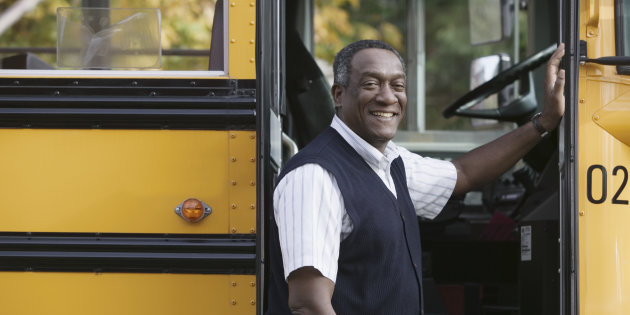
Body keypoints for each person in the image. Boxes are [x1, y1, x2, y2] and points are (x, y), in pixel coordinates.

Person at [266, 39, 565, 314]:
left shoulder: (391, 162)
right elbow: (308, 304)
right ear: (339, 95)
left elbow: (463, 173)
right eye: (371, 84)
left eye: (397, 85)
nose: (387, 97)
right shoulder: (314, 176)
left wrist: (544, 122)